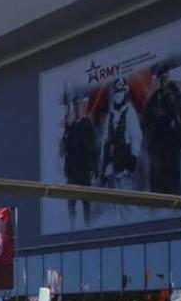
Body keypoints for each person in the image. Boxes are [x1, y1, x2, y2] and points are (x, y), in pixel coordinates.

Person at [142, 63, 181, 194]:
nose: (163, 81)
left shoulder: (174, 93)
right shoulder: (155, 97)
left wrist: (177, 123)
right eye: (161, 78)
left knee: (172, 176)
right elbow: (146, 118)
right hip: (157, 143)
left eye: (165, 77)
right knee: (157, 178)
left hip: (171, 143)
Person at [58, 97, 99, 226]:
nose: (77, 109)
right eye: (75, 106)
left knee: (86, 203)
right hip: (72, 172)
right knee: (71, 204)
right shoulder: (70, 127)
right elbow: (62, 151)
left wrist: (94, 168)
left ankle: (87, 227)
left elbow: (94, 148)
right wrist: (67, 130)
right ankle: (71, 228)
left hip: (85, 171)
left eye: (79, 106)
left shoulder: (87, 125)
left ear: (83, 107)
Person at [100, 76, 142, 190]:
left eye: (121, 91)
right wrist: (102, 164)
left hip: (124, 166)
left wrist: (133, 158)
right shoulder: (110, 115)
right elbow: (104, 140)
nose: (118, 94)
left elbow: (136, 136)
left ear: (125, 92)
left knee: (124, 196)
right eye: (116, 92)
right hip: (110, 167)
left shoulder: (130, 112)